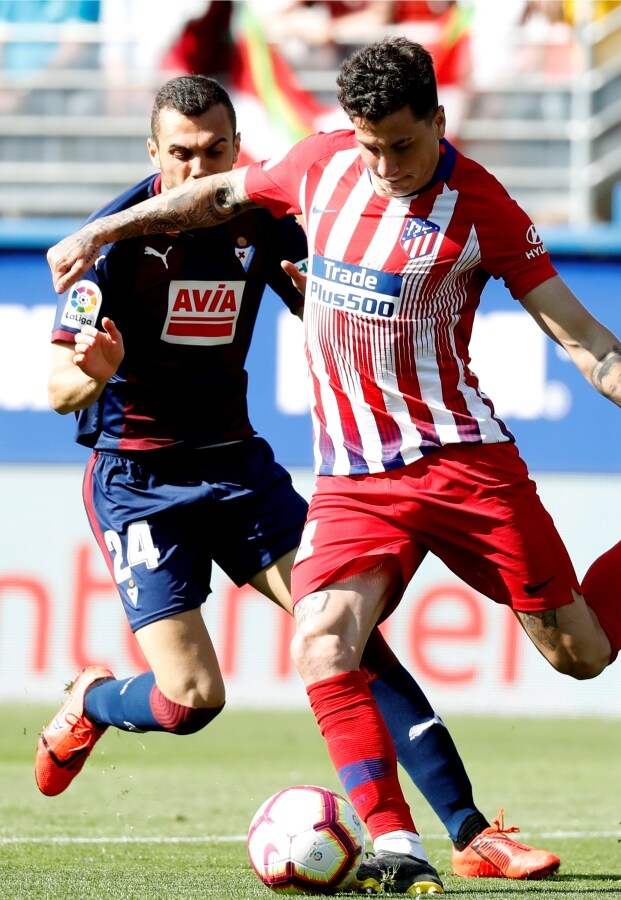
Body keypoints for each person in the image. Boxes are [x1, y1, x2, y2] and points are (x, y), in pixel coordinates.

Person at [46, 40, 621, 895]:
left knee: (580, 652)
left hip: (465, 463)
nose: (384, 165)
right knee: (323, 645)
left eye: (402, 144)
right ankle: (402, 843)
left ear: (437, 119)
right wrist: (99, 228)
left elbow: (584, 341)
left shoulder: (484, 208)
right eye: (368, 145)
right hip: (353, 478)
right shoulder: (318, 166)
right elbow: (213, 197)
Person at [39, 73, 562, 886]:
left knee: (349, 641)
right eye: (180, 154)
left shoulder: (262, 222)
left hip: (239, 467)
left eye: (216, 150)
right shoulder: (113, 243)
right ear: (152, 153)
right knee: (189, 701)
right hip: (138, 479)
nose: (198, 166)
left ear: (237, 150)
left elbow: (329, 303)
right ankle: (92, 701)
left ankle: (467, 831)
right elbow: (56, 388)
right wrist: (95, 372)